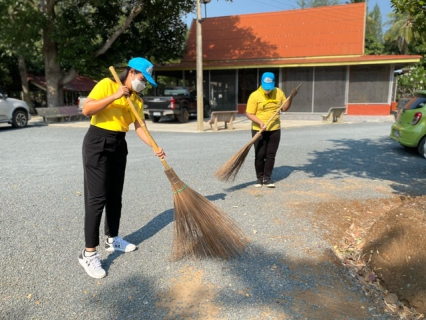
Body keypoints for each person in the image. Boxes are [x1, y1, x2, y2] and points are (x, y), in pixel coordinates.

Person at [79, 57, 165, 279]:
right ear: (132, 72)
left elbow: (139, 127)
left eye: (146, 81)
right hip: (97, 141)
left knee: (115, 196)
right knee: (97, 198)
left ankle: (113, 239)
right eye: (141, 78)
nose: (143, 83)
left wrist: (154, 145)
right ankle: (88, 254)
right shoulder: (107, 84)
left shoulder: (137, 99)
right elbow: (87, 110)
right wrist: (115, 96)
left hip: (119, 144)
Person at [245, 72, 298, 188]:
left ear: (273, 84)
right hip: (259, 129)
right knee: (260, 154)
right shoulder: (255, 95)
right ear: (261, 83)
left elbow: (284, 108)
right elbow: (249, 113)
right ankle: (259, 178)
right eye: (265, 87)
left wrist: (291, 97)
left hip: (275, 129)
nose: (267, 90)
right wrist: (260, 122)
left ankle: (267, 178)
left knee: (270, 155)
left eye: (270, 87)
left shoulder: (278, 92)